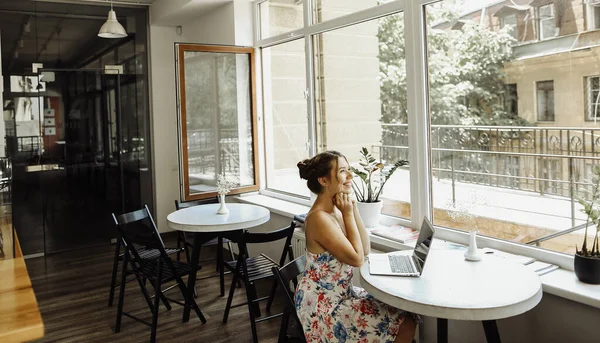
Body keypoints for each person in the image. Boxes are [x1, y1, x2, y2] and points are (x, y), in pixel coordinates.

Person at [295, 151, 419, 343]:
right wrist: (348, 214)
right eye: (343, 171)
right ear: (324, 180)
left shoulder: (337, 208)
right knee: (404, 323)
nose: (350, 176)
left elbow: (365, 248)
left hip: (343, 293)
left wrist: (351, 209)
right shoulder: (319, 218)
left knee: (406, 313)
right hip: (324, 305)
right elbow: (357, 259)